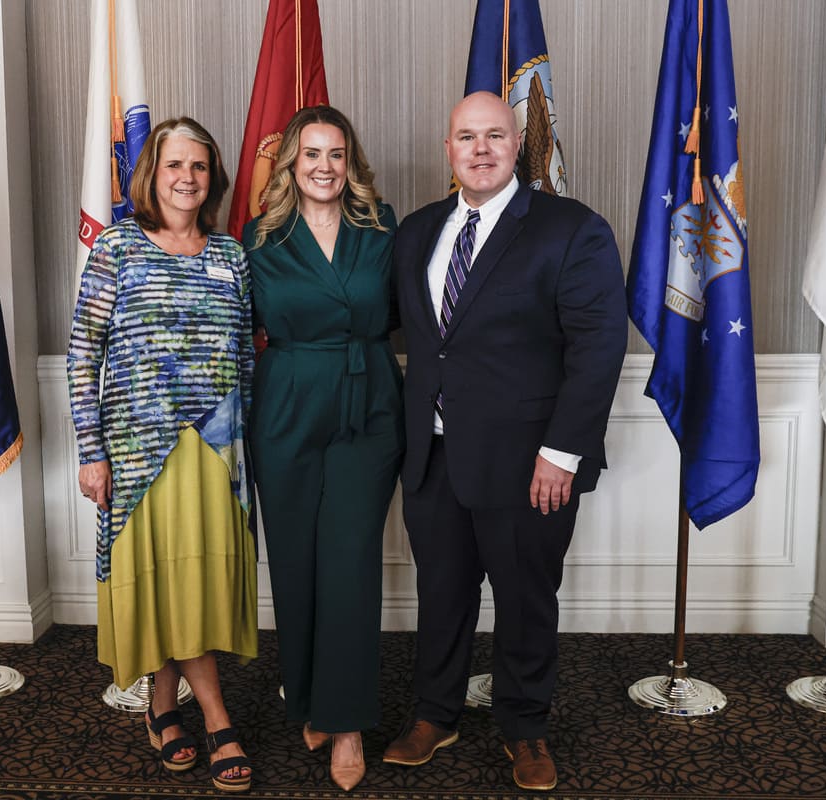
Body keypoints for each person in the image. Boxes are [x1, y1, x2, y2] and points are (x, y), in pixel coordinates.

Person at [382, 91, 627, 792]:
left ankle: (525, 726)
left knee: (525, 599)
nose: (481, 148)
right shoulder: (418, 231)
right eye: (467, 137)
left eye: (495, 135)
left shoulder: (571, 229)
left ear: (518, 144)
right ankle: (435, 713)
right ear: (449, 149)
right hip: (432, 457)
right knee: (442, 594)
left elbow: (598, 346)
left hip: (529, 464)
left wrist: (562, 453)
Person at [67, 117, 257, 794]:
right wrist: (91, 451)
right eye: (175, 165)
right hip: (137, 451)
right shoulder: (117, 246)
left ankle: (161, 705)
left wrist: (248, 451)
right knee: (162, 581)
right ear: (151, 174)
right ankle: (217, 718)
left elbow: (244, 357)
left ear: (213, 178)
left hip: (216, 452)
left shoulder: (232, 255)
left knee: (192, 584)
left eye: (199, 166)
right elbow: (83, 353)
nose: (187, 178)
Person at [244, 105, 403, 793]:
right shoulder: (260, 237)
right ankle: (308, 698)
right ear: (291, 163)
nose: (324, 167)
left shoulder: (382, 227)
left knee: (349, 563)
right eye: (311, 154)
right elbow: (236, 326)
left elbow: (410, 311)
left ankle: (347, 724)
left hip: (367, 406)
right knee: (295, 562)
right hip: (285, 404)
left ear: (351, 162)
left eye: (336, 154)